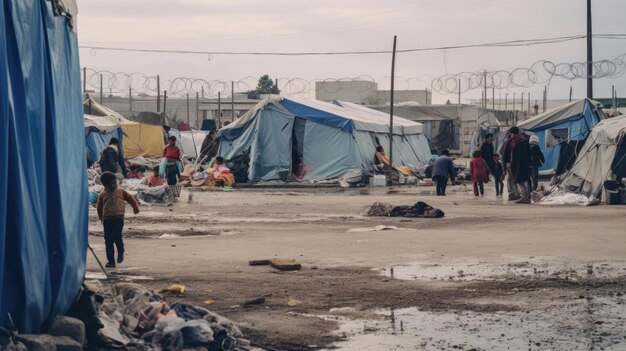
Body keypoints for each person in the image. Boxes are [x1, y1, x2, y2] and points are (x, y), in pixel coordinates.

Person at [96, 172, 140, 268]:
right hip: (107, 220)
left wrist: (135, 207)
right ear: (105, 185)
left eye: (115, 182)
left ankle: (120, 250)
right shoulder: (102, 194)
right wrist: (100, 217)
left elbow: (130, 198)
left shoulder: (120, 191)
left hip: (118, 218)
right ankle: (111, 261)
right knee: (108, 241)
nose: (115, 184)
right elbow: (99, 207)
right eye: (113, 183)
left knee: (116, 236)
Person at [509, 126, 531, 204]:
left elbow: (514, 155)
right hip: (525, 163)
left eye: (510, 134)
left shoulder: (515, 141)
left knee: (520, 181)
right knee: (524, 180)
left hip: (518, 164)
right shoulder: (525, 140)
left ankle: (524, 198)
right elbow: (529, 153)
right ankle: (526, 197)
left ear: (512, 133)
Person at [501, 131, 519, 201]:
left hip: (509, 163)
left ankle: (513, 193)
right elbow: (504, 155)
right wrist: (504, 169)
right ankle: (513, 193)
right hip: (510, 163)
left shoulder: (507, 142)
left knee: (511, 178)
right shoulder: (510, 142)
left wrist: (504, 169)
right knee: (512, 178)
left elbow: (503, 155)